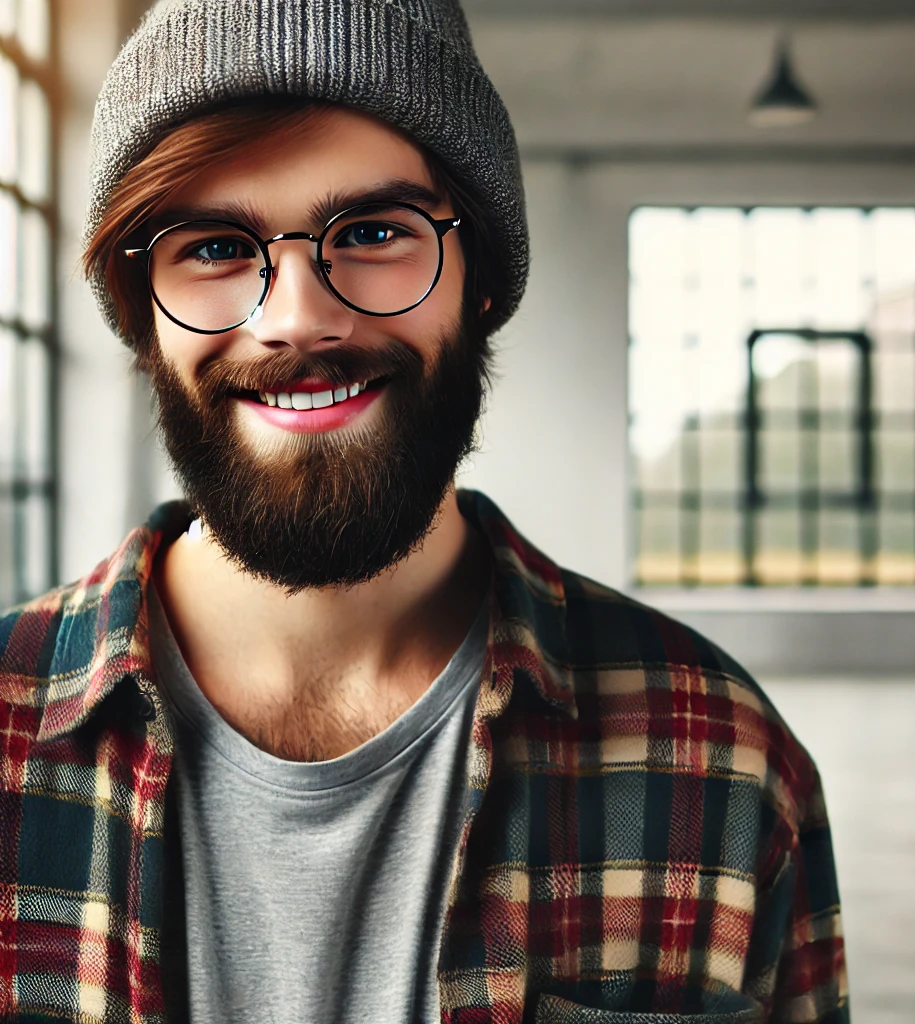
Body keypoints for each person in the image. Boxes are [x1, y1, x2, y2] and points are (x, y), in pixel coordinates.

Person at [0, 0, 848, 1021]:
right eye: (215, 248)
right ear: (140, 316)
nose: (298, 316)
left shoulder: (720, 757)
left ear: (477, 279)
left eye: (371, 232)